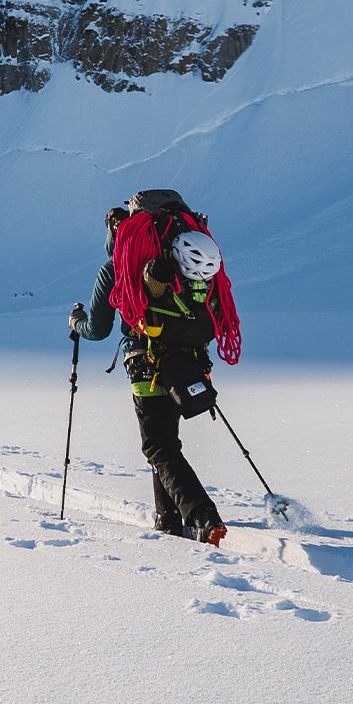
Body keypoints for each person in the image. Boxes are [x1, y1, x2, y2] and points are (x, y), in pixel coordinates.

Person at [71, 190, 242, 545]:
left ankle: (202, 516)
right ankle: (168, 519)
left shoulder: (116, 267)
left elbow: (98, 329)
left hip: (145, 361)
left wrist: (77, 324)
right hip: (189, 361)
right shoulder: (187, 257)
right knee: (167, 442)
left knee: (158, 448)